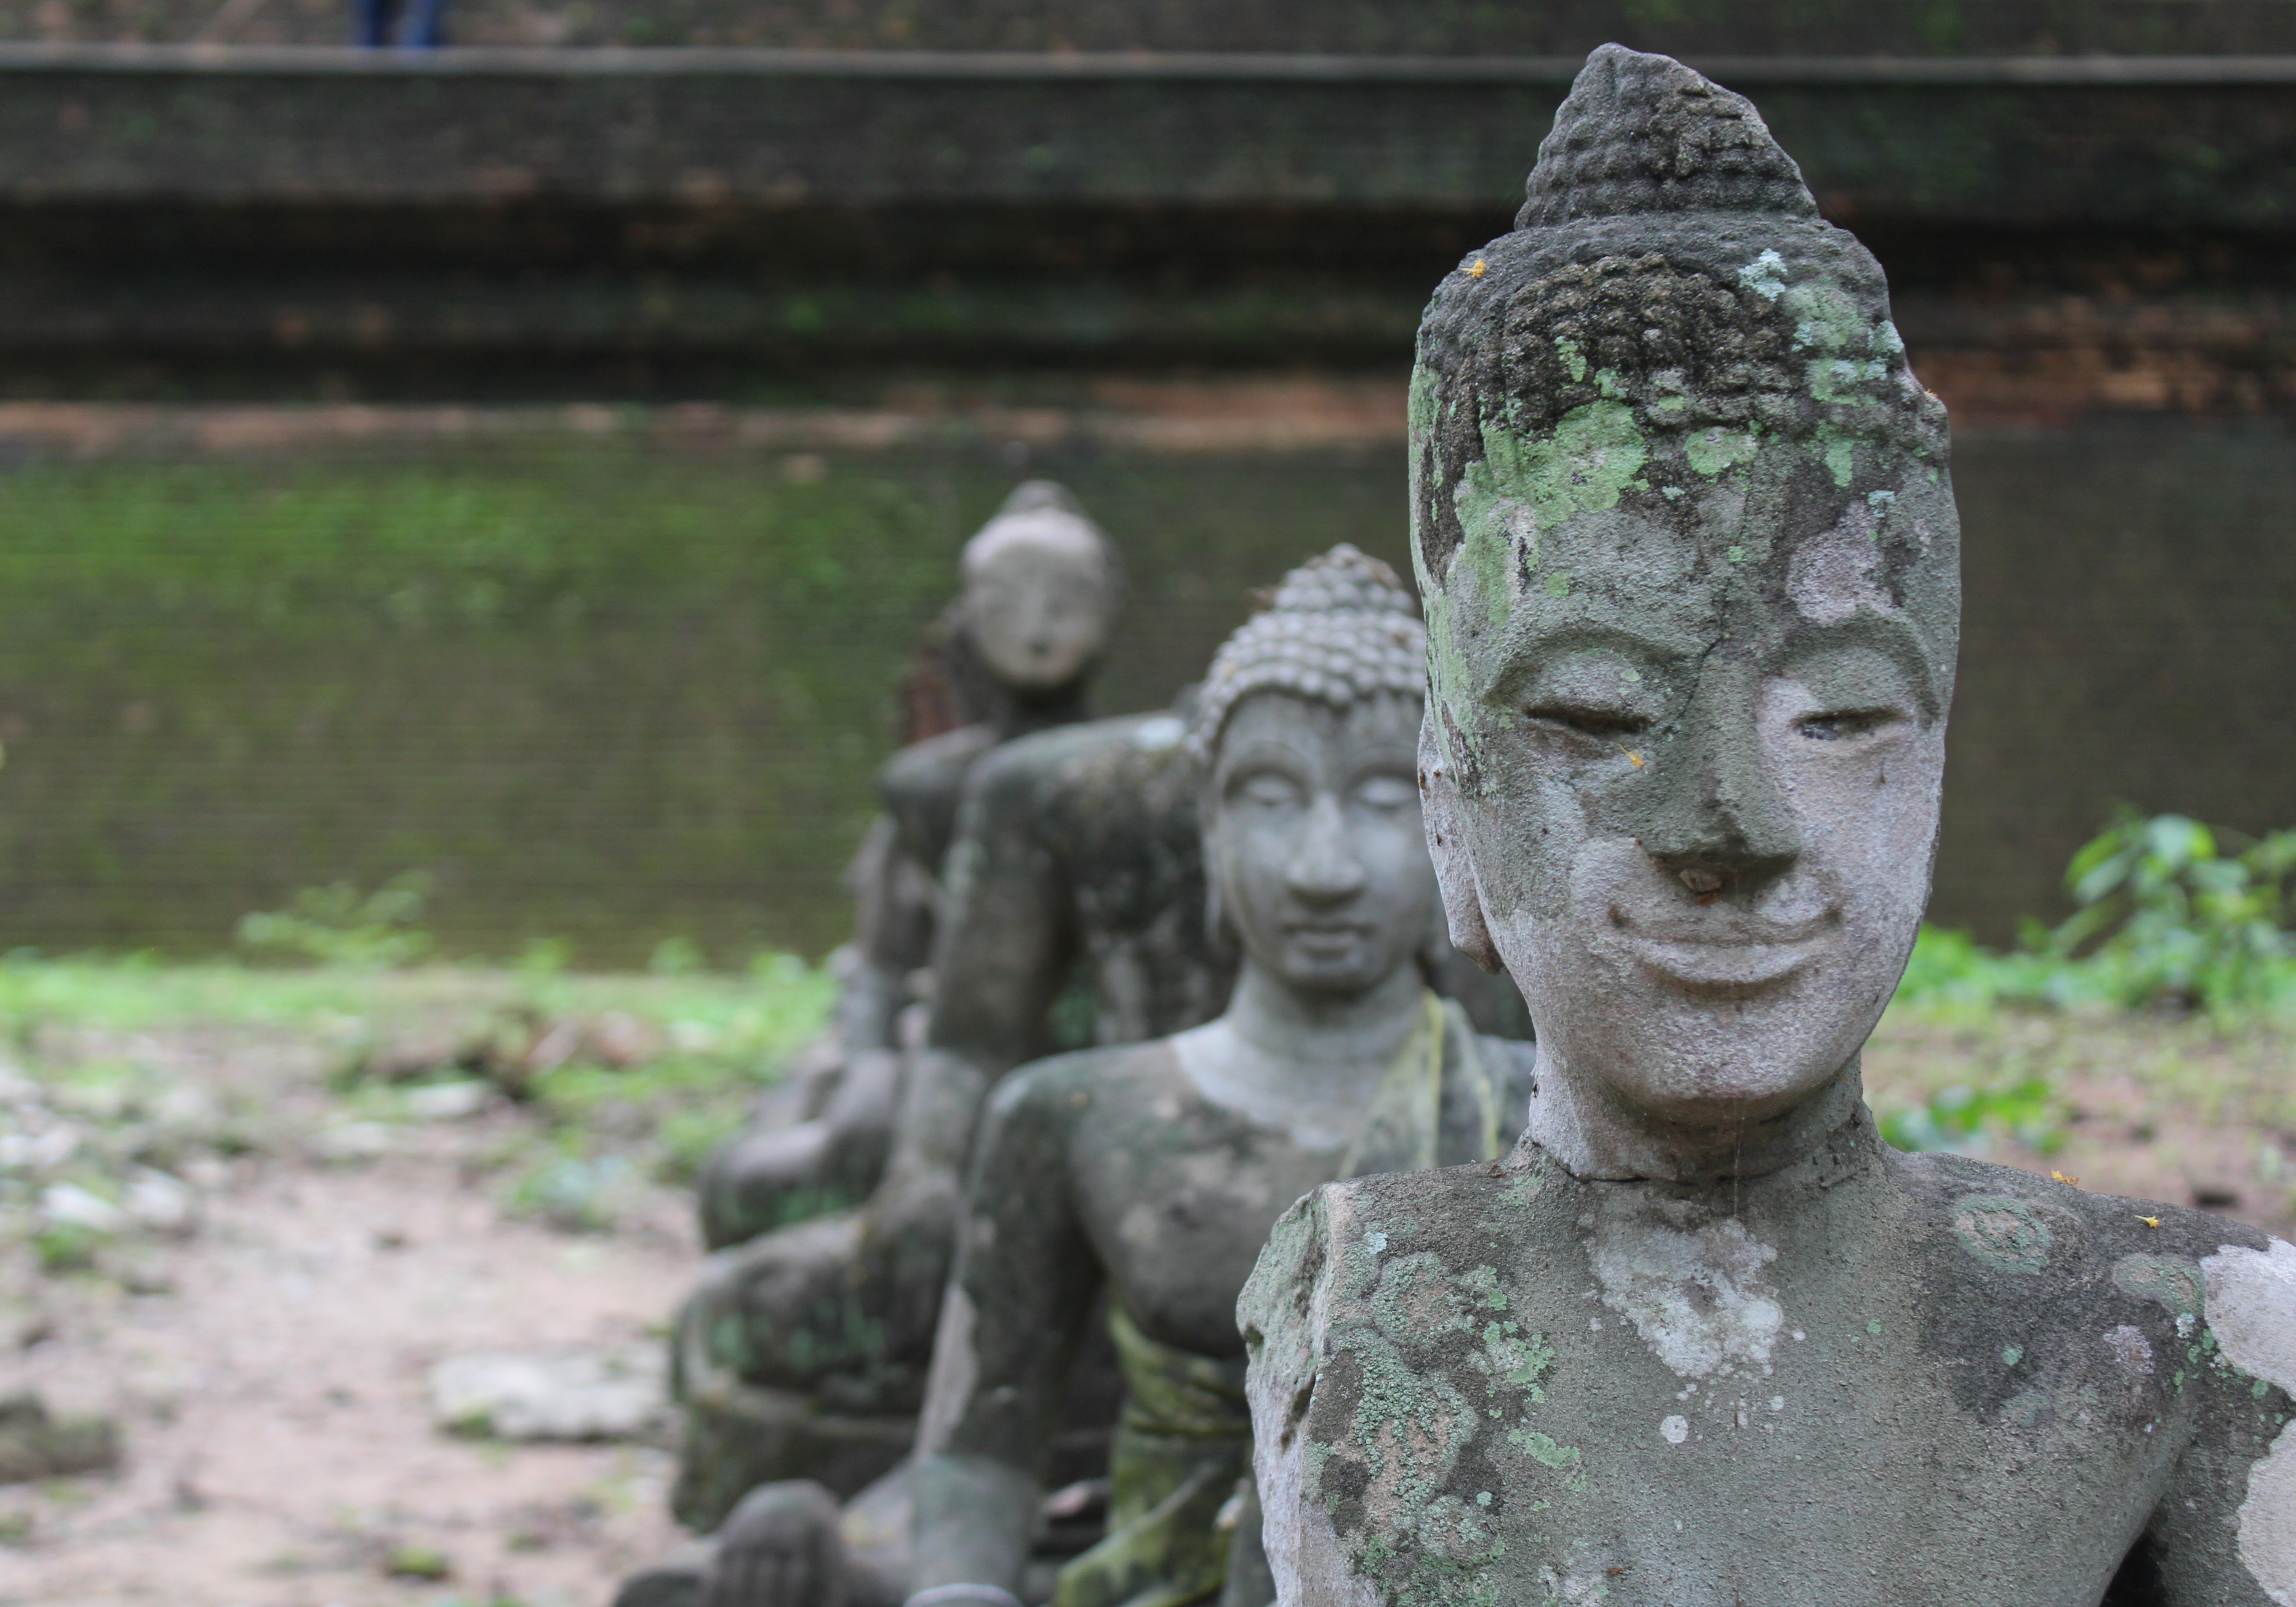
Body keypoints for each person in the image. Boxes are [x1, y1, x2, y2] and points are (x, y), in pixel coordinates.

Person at [1241, 46, 2296, 1606]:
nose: (1726, 822)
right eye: (1598, 714)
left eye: (1838, 714)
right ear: (1447, 802)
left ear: (1934, 762)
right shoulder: (1361, 1297)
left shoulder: (2177, 1323)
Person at [904, 547, 1534, 1607]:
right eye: (1272, 799)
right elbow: (977, 1452)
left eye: (1384, 800)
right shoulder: (1072, 1116)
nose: (1321, 870)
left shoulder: (1537, 1113)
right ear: (1208, 825)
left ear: (1450, 829)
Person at [698, 482, 1120, 1252]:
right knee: (750, 1181)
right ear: (970, 612)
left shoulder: (1130, 781)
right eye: (1009, 596)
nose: (1038, 622)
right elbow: (883, 961)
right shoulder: (926, 790)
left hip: (1071, 1062)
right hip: (936, 1057)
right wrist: (871, 1063)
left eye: (1066, 597)